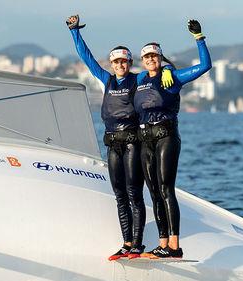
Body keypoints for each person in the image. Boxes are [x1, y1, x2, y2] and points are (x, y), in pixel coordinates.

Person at [65, 15, 174, 260]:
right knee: (119, 194)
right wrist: (74, 32)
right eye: (116, 62)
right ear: (112, 64)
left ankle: (137, 244)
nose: (120, 65)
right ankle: (126, 243)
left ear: (129, 62)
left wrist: (167, 68)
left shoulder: (138, 79)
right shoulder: (107, 79)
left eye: (124, 61)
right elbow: (87, 58)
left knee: (134, 192)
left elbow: (156, 70)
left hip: (132, 142)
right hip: (112, 143)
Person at [135, 20, 212, 258]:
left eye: (154, 57)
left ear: (160, 58)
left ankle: (174, 246)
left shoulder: (174, 77)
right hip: (145, 138)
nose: (150, 60)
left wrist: (199, 37)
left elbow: (205, 66)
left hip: (167, 136)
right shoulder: (138, 80)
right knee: (154, 191)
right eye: (147, 57)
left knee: (166, 188)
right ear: (143, 61)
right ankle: (163, 244)